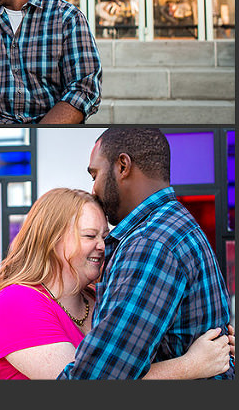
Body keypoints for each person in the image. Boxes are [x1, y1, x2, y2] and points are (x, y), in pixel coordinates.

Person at [0, 187, 233, 381]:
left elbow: (131, 362)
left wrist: (217, 344)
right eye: (89, 236)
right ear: (50, 240)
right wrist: (190, 366)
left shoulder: (99, 297)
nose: (102, 245)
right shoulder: (15, 303)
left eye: (105, 236)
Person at [56, 126, 234, 379]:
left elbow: (99, 376)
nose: (94, 188)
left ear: (123, 166)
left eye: (95, 174)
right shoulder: (175, 225)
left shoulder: (150, 244)